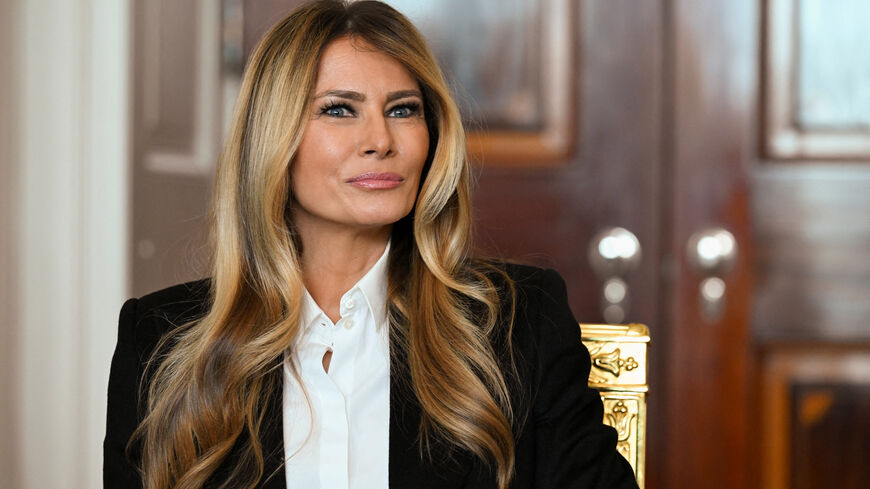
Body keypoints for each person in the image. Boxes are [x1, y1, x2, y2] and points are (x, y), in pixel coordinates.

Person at [103, 1, 638, 488]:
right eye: (339, 109)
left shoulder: (520, 322)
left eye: (403, 109)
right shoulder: (160, 341)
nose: (381, 140)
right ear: (273, 135)